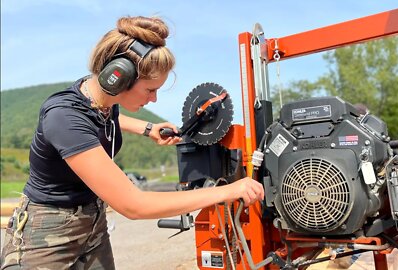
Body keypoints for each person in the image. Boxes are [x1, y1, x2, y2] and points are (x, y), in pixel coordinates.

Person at [0, 16, 264, 270]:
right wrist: (228, 191)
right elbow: (134, 205)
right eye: (150, 90)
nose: (155, 100)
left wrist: (147, 128)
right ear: (118, 77)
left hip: (92, 223)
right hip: (47, 233)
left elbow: (108, 115)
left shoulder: (102, 98)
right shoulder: (63, 117)